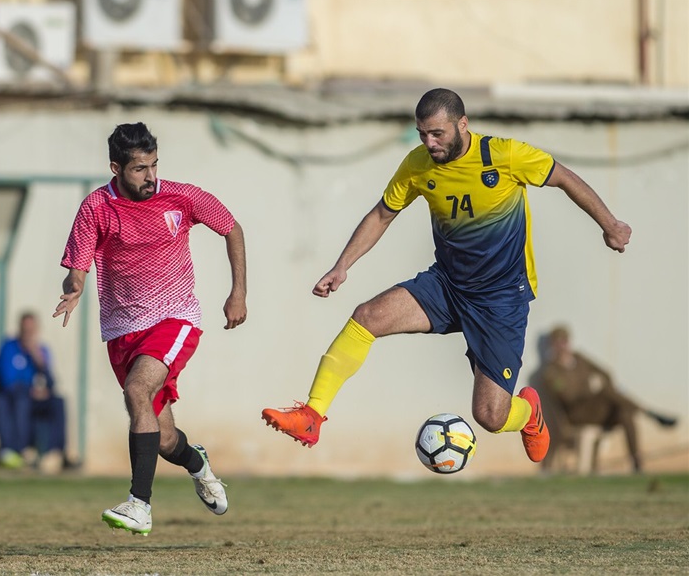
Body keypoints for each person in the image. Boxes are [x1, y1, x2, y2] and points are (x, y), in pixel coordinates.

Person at [261, 88, 632, 466]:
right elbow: (382, 214)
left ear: (462, 124)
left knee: (490, 416)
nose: (429, 142)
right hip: (448, 285)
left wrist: (610, 224)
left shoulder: (503, 155)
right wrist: (342, 266)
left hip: (500, 298)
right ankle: (312, 415)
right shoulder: (418, 164)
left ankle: (527, 414)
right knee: (366, 317)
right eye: (422, 133)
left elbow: (565, 177)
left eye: (437, 133)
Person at [53, 122, 247, 537]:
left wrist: (238, 294)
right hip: (122, 331)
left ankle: (139, 505)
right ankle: (197, 464)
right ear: (116, 167)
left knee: (137, 391)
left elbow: (231, 227)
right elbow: (78, 267)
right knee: (162, 437)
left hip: (174, 319)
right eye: (140, 168)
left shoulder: (182, 196)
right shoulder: (96, 208)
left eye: (154, 165)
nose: (151, 176)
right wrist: (73, 289)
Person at [536, 325, 676, 473]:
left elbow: (606, 374)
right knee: (605, 390)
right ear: (553, 345)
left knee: (624, 412)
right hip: (577, 415)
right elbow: (568, 397)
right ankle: (647, 411)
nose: (562, 346)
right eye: (558, 342)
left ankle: (636, 462)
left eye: (565, 341)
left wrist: (596, 384)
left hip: (597, 409)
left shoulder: (579, 358)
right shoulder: (551, 371)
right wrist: (588, 387)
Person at [0, 311, 76, 471]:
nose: (28, 334)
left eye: (31, 330)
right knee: (21, 399)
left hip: (35, 397)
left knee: (58, 401)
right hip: (14, 397)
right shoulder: (9, 347)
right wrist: (31, 390)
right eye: (25, 330)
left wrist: (39, 361)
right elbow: (7, 380)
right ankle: (19, 450)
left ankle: (58, 452)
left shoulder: (42, 350)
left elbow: (51, 382)